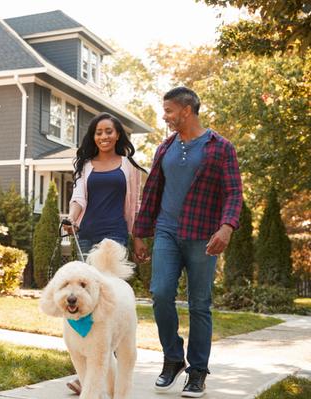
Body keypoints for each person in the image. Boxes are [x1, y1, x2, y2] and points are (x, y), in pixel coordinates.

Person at [133, 87, 242, 397]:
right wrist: (140, 233)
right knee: (160, 294)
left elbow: (234, 192)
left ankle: (197, 371)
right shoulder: (164, 148)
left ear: (186, 109)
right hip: (167, 231)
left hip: (204, 235)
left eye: (168, 110)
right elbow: (152, 192)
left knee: (199, 305)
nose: (164, 116)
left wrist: (227, 227)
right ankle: (172, 359)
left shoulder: (220, 147)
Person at [63, 112, 146, 395]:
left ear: (118, 134)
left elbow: (134, 205)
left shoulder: (128, 166)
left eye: (109, 131)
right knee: (86, 303)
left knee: (109, 303)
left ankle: (100, 367)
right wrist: (71, 218)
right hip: (87, 234)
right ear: (93, 136)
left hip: (116, 236)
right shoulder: (86, 165)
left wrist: (137, 239)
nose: (104, 136)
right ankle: (88, 372)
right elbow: (78, 198)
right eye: (99, 132)